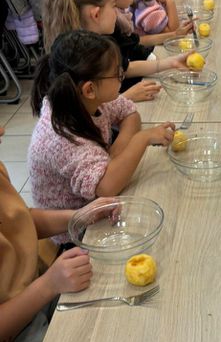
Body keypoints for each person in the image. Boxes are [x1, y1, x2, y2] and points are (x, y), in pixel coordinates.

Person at [28, 31, 175, 230]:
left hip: (98, 208)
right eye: (118, 74)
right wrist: (141, 139)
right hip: (79, 230)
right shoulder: (61, 137)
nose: (121, 78)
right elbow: (107, 187)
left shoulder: (88, 99)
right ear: (89, 89)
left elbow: (129, 113)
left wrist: (115, 155)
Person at [0, 124, 94, 342]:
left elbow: (20, 219)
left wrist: (79, 215)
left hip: (31, 291)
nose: (3, 129)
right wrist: (48, 286)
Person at [42, 0, 193, 102]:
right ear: (95, 14)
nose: (117, 12)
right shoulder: (74, 59)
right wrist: (126, 98)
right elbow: (83, 115)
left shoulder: (96, 43)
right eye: (113, 5)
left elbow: (125, 69)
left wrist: (171, 63)